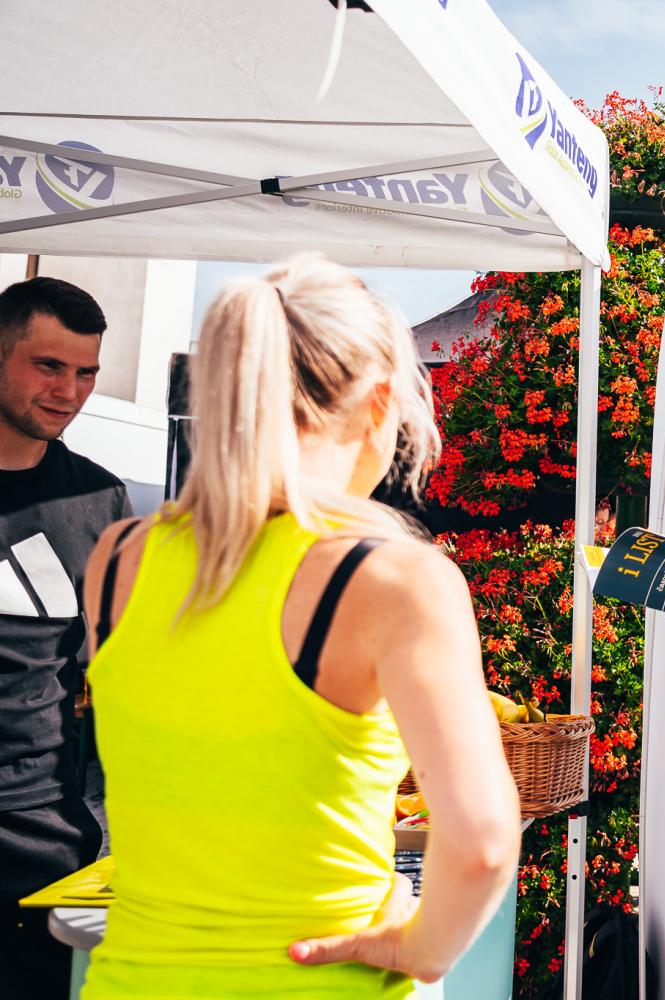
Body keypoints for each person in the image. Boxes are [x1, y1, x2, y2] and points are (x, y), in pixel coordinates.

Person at [78, 254, 521, 997]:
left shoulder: (117, 558)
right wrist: (419, 949)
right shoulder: (393, 579)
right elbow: (480, 843)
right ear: (380, 403)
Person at [0, 276, 129, 998]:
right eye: (48, 366)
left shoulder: (99, 497)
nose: (69, 391)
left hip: (44, 829)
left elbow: (114, 671)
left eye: (86, 372)